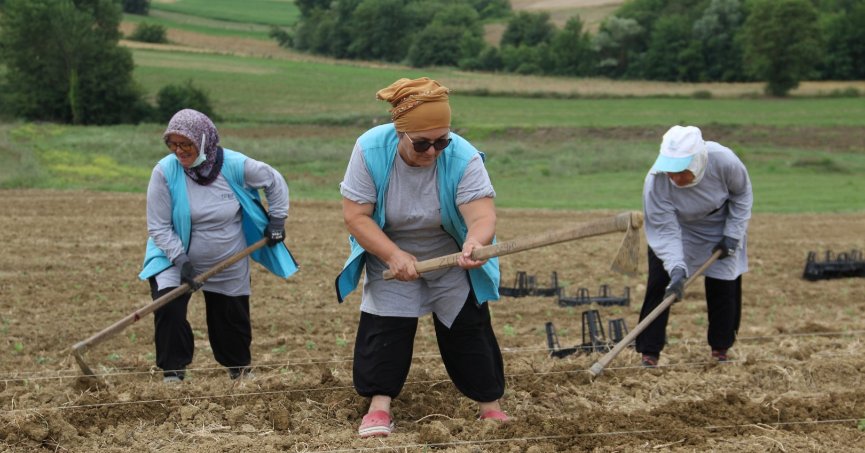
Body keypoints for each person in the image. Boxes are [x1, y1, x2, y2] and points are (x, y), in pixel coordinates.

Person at [335, 77, 507, 438]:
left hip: (449, 255)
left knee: (468, 329)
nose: (433, 151)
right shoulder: (369, 150)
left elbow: (482, 216)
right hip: (390, 251)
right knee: (386, 330)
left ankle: (490, 406)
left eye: (441, 141)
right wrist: (393, 254)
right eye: (422, 143)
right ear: (400, 133)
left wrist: (474, 244)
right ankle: (379, 407)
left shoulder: (462, 156)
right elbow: (356, 216)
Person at [139, 108, 298, 383]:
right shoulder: (164, 171)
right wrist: (181, 260)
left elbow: (274, 181)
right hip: (174, 256)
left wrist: (277, 220)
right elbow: (159, 226)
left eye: (185, 144)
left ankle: (239, 371)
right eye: (173, 144)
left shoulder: (235, 165)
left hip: (227, 255)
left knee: (231, 316)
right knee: (168, 308)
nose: (179, 151)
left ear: (203, 140)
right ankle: (173, 375)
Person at [637, 125, 753, 367]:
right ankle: (649, 353)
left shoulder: (724, 160)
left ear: (697, 161)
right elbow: (664, 230)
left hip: (720, 224)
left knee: (724, 285)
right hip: (678, 227)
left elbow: (741, 194)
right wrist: (676, 268)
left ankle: (721, 349)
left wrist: (733, 235)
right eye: (671, 171)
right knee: (660, 283)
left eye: (682, 171)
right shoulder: (656, 180)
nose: (675, 178)